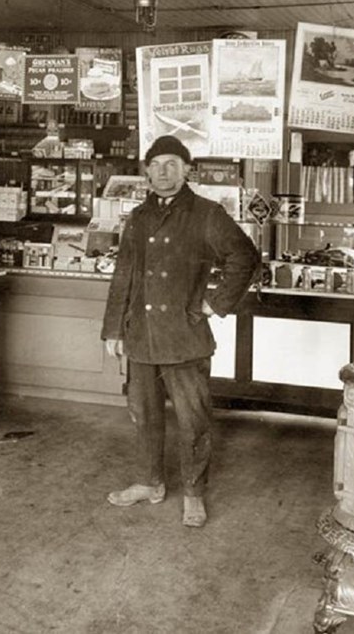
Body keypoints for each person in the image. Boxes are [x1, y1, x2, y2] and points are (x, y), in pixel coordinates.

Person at [101, 135, 259, 527]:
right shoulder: (138, 217)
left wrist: (213, 304)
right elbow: (124, 275)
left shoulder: (207, 213)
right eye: (155, 165)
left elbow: (245, 257)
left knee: (193, 420)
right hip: (141, 336)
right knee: (143, 415)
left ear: (188, 169)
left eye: (172, 163)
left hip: (184, 337)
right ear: (146, 171)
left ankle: (193, 493)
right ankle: (150, 482)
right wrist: (112, 329)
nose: (163, 172)